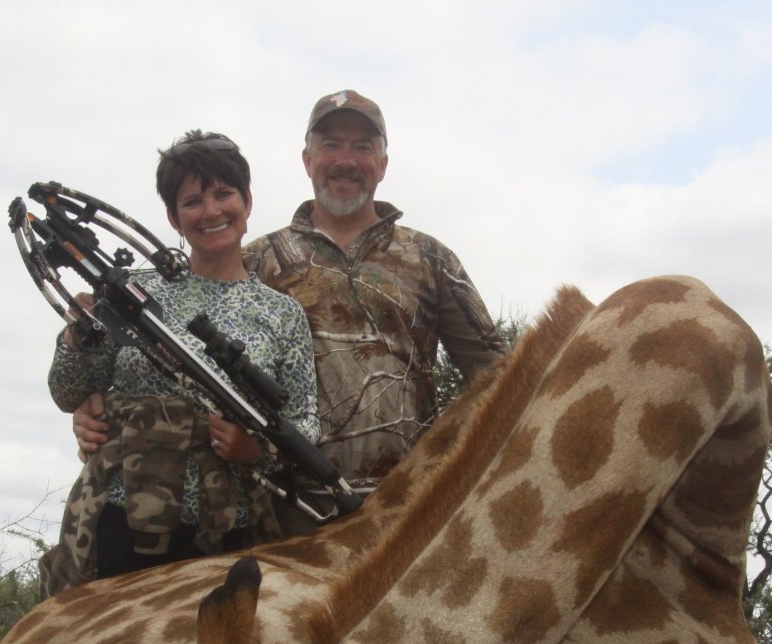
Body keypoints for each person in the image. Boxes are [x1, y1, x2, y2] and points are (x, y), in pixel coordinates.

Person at [43, 131, 318, 594]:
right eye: (192, 202)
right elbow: (68, 390)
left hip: (226, 528)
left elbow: (304, 421)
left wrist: (256, 451)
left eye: (224, 194)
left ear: (248, 202)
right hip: (116, 517)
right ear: (173, 217)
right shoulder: (128, 291)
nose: (211, 212)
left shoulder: (282, 313)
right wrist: (77, 331)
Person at [241, 90, 509, 490]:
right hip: (288, 503)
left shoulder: (430, 258)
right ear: (307, 160)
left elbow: (498, 375)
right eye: (331, 145)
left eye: (362, 148)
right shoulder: (258, 261)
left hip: (408, 508)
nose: (346, 161)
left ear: (382, 166)